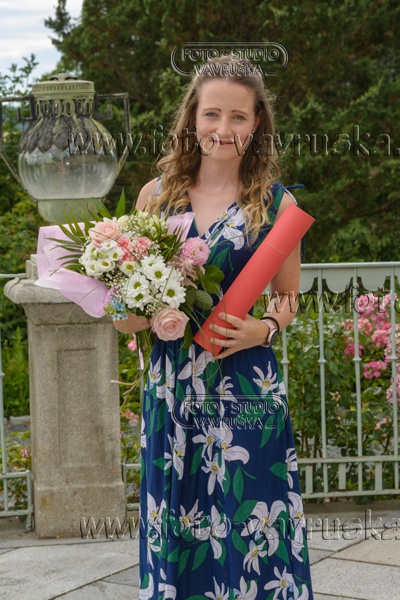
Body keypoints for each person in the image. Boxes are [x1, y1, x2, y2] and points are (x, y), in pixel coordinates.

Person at [115, 55, 314, 599]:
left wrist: (264, 329)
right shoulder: (156, 196)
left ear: (257, 123)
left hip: (245, 381)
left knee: (251, 514)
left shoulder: (277, 204)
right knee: (178, 514)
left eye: (238, 117)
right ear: (193, 118)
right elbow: (128, 297)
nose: (223, 129)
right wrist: (133, 315)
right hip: (172, 381)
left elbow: (288, 297)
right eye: (211, 114)